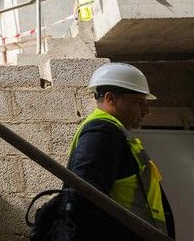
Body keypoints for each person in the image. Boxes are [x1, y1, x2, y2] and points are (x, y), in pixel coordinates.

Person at [64, 62, 175, 239]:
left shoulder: (112, 131)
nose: (147, 110)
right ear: (110, 99)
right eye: (139, 102)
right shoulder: (102, 132)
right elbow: (84, 200)